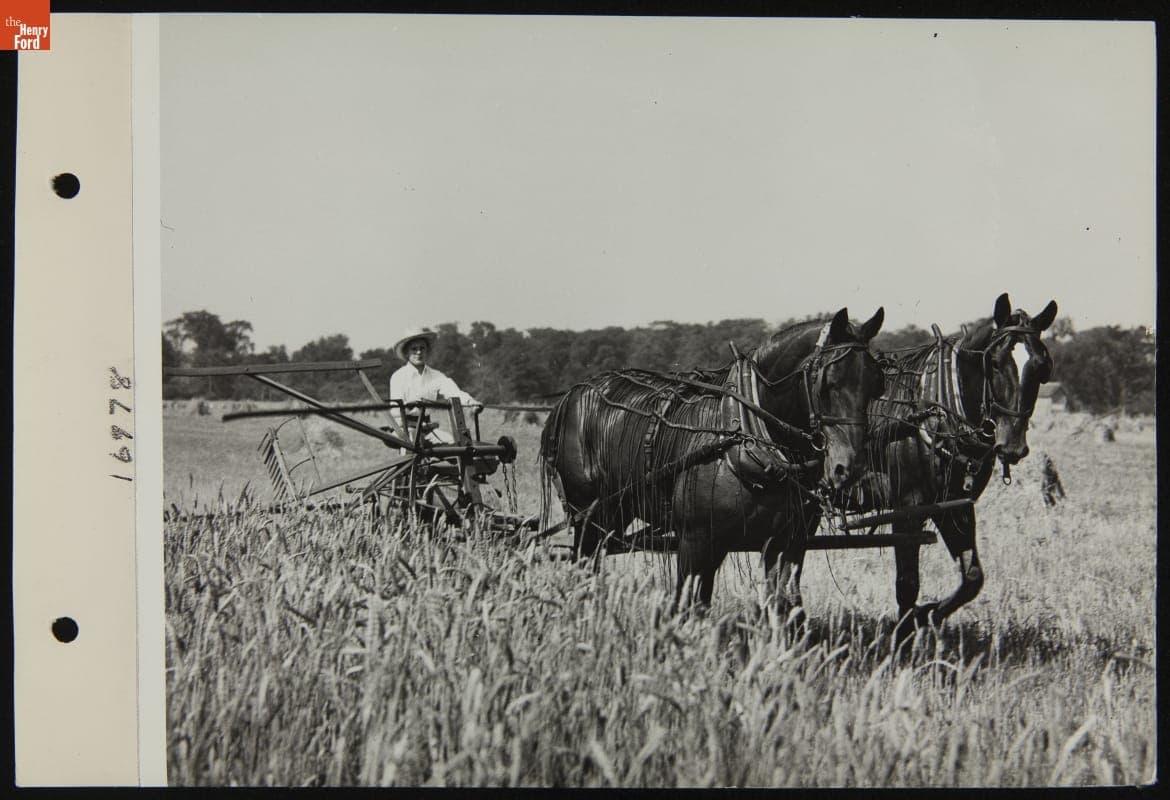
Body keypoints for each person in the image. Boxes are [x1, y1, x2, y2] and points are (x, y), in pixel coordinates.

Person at [388, 327, 478, 443]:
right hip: (404, 430)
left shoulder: (436, 376)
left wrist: (471, 402)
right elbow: (395, 410)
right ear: (406, 352)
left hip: (428, 430)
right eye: (414, 349)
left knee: (454, 445)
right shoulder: (398, 376)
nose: (419, 352)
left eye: (422, 348)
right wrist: (413, 406)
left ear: (427, 351)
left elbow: (454, 392)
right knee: (412, 450)